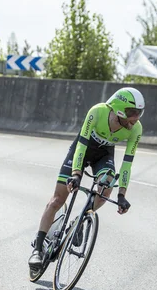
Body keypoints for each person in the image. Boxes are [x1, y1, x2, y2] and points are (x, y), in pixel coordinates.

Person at [28, 87, 145, 269]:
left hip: (103, 156)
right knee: (57, 200)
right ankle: (37, 248)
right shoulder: (97, 112)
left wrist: (122, 194)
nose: (135, 118)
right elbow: (81, 146)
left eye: (139, 113)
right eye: (132, 113)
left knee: (107, 186)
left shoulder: (135, 129)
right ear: (120, 109)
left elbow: (127, 164)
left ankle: (80, 220)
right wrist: (76, 174)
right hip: (81, 150)